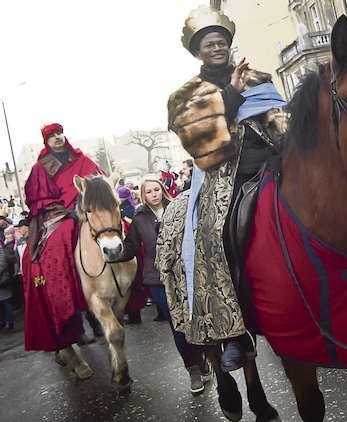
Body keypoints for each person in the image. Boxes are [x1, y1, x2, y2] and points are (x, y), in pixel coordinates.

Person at [159, 5, 286, 377]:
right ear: (198, 52)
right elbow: (197, 139)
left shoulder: (257, 76)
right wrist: (230, 91)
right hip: (223, 174)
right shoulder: (188, 93)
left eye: (221, 42)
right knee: (212, 238)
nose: (217, 48)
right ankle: (233, 333)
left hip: (271, 164)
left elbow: (279, 118)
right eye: (209, 44)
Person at [111, 174, 211, 395]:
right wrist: (111, 255)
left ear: (162, 190)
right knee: (177, 325)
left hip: (186, 274)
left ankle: (203, 357)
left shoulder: (179, 208)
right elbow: (131, 247)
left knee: (193, 320)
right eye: (148, 191)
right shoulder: (139, 218)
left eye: (156, 190)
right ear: (143, 195)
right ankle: (192, 368)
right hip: (157, 280)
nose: (153, 194)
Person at [21, 123, 103, 380]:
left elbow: (97, 182)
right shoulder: (40, 168)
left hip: (85, 207)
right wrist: (66, 210)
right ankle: (69, 298)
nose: (57, 138)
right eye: (51, 135)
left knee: (115, 227)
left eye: (59, 133)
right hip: (59, 215)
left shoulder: (81, 159)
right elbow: (39, 203)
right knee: (63, 236)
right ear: (46, 141)